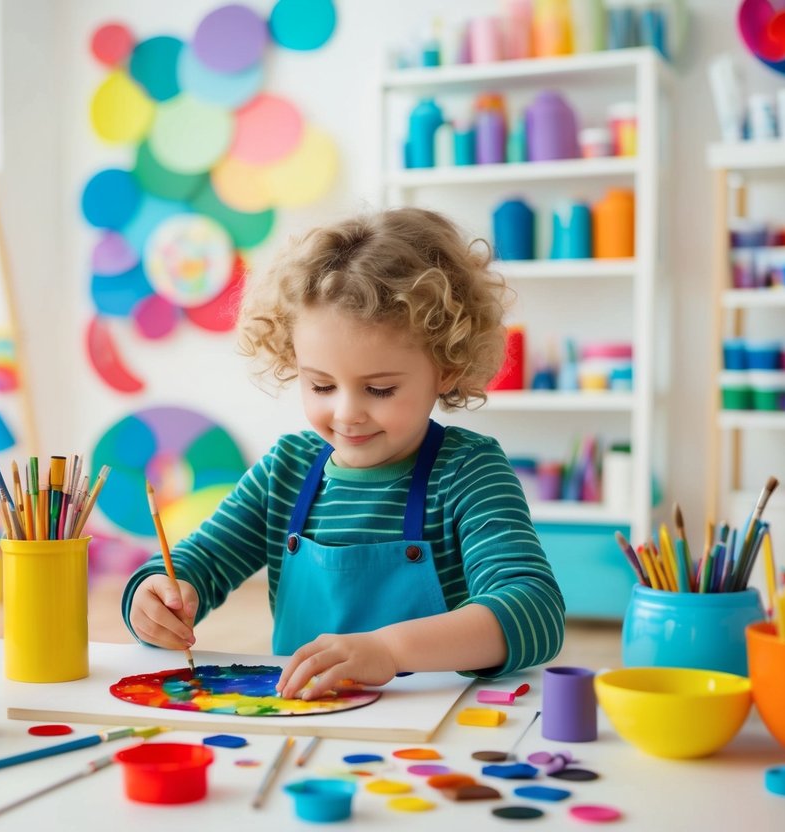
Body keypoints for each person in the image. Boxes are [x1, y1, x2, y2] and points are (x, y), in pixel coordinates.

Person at [122, 207, 565, 699]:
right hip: (304, 719)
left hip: (435, 730)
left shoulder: (468, 472)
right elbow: (197, 563)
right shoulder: (284, 472)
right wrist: (153, 596)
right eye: (322, 385)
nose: (347, 413)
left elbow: (534, 610)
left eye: (379, 390)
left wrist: (390, 651)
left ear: (446, 369)